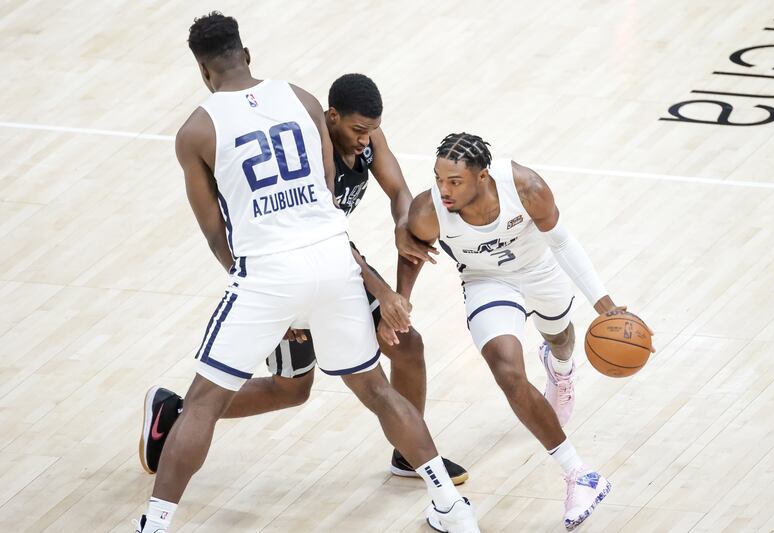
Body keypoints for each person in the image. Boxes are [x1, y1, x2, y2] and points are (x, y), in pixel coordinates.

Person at [134, 14, 479, 533]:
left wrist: (275, 302)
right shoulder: (302, 99)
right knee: (376, 390)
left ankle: (154, 525)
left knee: (203, 403)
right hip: (334, 261)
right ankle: (450, 508)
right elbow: (321, 199)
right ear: (246, 54)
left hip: (269, 272)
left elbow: (214, 234)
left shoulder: (196, 131)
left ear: (203, 72)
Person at [398, 132, 654, 530]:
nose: (443, 189)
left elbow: (562, 241)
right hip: (487, 281)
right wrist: (402, 301)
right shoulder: (429, 209)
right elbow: (412, 250)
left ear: (483, 177)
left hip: (539, 269)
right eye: (438, 178)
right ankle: (579, 475)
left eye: (454, 181)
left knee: (561, 339)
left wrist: (603, 303)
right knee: (508, 372)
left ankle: (561, 369)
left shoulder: (524, 186)